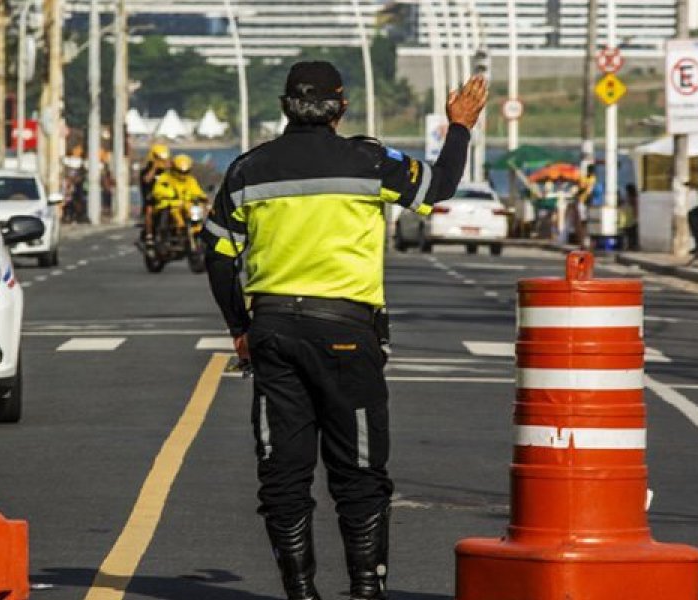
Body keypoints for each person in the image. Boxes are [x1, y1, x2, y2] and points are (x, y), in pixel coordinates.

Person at [202, 61, 487, 600]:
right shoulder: (370, 161)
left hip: (274, 332)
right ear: (342, 108)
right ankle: (364, 589)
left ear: (285, 106)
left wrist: (239, 326)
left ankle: (302, 593)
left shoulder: (247, 170)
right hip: (346, 334)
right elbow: (441, 185)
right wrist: (460, 124)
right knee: (358, 472)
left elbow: (217, 255)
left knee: (283, 476)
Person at [146, 154, 205, 241]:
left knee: (197, 215)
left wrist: (203, 197)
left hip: (186, 205)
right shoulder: (165, 178)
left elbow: (197, 190)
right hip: (168, 205)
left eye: (185, 172)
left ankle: (198, 234)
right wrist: (170, 194)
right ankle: (163, 237)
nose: (182, 174)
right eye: (180, 171)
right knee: (165, 216)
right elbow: (158, 190)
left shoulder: (190, 180)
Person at [139, 143, 171, 211]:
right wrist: (154, 167)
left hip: (168, 198)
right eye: (158, 158)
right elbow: (146, 180)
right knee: (149, 211)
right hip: (152, 200)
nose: (161, 161)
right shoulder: (146, 171)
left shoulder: (168, 171)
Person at [620, 183, 640, 251]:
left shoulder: (633, 198)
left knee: (631, 234)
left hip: (630, 219)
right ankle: (630, 246)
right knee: (629, 234)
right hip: (628, 219)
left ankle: (631, 247)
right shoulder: (629, 198)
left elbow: (635, 208)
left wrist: (636, 216)